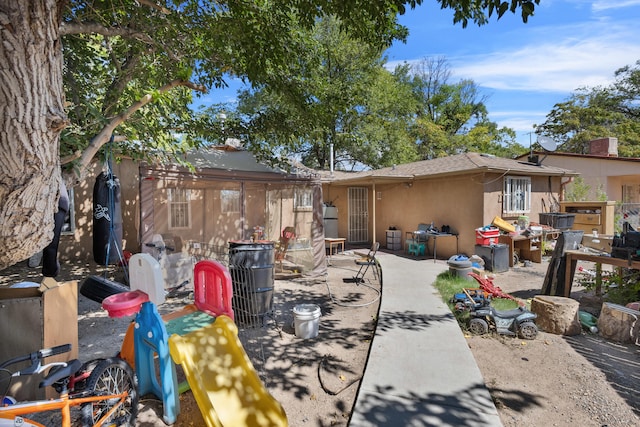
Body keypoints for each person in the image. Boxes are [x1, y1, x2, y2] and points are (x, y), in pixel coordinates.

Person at [42, 180, 69, 277]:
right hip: (59, 203)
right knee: (51, 240)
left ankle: (50, 271)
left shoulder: (54, 176)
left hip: (58, 204)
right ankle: (51, 270)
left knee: (52, 240)